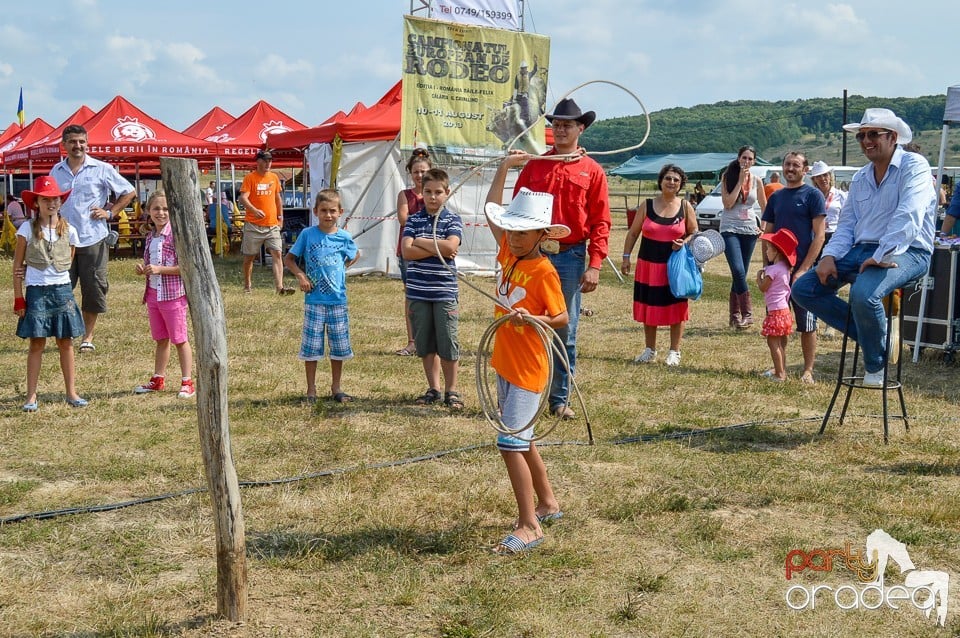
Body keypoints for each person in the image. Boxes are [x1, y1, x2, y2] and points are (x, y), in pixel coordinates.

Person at [485, 98, 611, 419]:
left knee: (562, 327)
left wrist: (595, 264)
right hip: (531, 252)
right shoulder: (535, 165)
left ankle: (558, 398)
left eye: (568, 124)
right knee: (520, 320)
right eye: (556, 124)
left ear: (581, 128)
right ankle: (520, 390)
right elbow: (516, 211)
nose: (561, 129)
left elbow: (600, 220)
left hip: (569, 254)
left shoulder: (592, 171)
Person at [792, 108, 937, 387]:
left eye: (873, 134)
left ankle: (875, 364)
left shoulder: (914, 165)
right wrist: (830, 256)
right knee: (803, 289)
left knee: (864, 294)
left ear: (893, 137)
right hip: (861, 249)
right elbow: (847, 225)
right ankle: (878, 336)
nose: (865, 141)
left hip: (909, 251)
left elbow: (909, 214)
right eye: (861, 136)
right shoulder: (861, 177)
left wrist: (883, 254)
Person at [481, 187, 568, 554]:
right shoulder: (509, 253)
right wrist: (504, 166)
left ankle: (529, 524)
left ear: (542, 235)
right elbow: (491, 214)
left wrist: (534, 318)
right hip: (506, 360)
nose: (514, 238)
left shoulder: (544, 271)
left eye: (522, 232)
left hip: (528, 368)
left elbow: (561, 318)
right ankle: (547, 503)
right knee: (522, 437)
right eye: (511, 231)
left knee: (508, 442)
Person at [50, 124, 137, 353]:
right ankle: (66, 334)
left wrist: (111, 212)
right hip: (63, 239)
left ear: (87, 143)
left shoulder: (102, 168)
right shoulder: (55, 171)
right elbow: (49, 200)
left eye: (81, 141)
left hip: (93, 239)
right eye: (72, 142)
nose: (77, 146)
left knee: (93, 289)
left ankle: (87, 337)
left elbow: (129, 191)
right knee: (61, 288)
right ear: (64, 145)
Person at [12, 176, 88, 411]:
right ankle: (31, 396)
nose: (51, 204)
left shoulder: (69, 229)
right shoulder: (27, 228)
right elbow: (17, 267)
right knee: (37, 343)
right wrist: (18, 298)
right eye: (45, 200)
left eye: (54, 199)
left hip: (62, 289)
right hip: (36, 291)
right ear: (37, 203)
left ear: (60, 202)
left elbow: (70, 256)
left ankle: (71, 392)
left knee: (66, 342)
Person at [283, 189, 359, 403]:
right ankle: (311, 389)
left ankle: (336, 387)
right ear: (315, 211)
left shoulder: (344, 237)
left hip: (337, 300)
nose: (328, 215)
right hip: (314, 300)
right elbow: (289, 259)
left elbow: (355, 254)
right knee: (312, 347)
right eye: (323, 211)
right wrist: (301, 276)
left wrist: (341, 269)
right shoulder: (308, 234)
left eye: (332, 211)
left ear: (340, 212)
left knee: (339, 346)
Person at [621, 164, 698, 366]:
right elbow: (633, 233)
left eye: (676, 180)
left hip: (675, 266)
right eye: (668, 178)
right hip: (648, 265)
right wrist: (626, 256)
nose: (671, 182)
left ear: (681, 185)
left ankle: (674, 351)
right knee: (650, 306)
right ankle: (650, 349)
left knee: (677, 306)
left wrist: (685, 241)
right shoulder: (646, 205)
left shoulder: (685, 206)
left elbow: (694, 232)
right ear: (661, 181)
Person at [401, 168, 464, 410]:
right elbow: (407, 252)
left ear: (447, 193)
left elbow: (451, 247)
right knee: (425, 343)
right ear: (422, 193)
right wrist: (438, 247)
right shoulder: (414, 219)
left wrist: (420, 241)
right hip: (418, 291)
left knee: (448, 342)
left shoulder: (452, 219)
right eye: (428, 192)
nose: (433, 197)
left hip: (444, 292)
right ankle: (434, 388)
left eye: (438, 192)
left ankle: (452, 390)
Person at [761, 151, 826, 384]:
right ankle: (781, 368)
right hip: (778, 273)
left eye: (796, 165)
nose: (790, 168)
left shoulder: (813, 195)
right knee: (778, 321)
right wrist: (766, 266)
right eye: (787, 164)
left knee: (807, 323)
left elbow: (819, 236)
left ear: (805, 169)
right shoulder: (776, 198)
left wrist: (803, 270)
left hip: (802, 271)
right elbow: (767, 233)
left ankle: (808, 370)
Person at [132, 191, 195, 399]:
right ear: (149, 211)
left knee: (179, 339)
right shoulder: (151, 236)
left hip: (173, 295)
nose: (161, 213)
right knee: (161, 338)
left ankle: (187, 381)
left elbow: (186, 267)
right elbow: (153, 264)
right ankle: (158, 378)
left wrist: (160, 269)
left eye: (166, 209)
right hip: (153, 294)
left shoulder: (177, 235)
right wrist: (145, 269)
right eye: (157, 208)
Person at [719, 145, 767, 329]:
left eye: (750, 159)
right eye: (744, 158)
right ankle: (747, 314)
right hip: (730, 228)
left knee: (740, 274)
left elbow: (765, 207)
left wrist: (762, 227)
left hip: (749, 231)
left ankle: (734, 316)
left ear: (754, 161)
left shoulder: (757, 181)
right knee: (738, 270)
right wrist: (739, 181)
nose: (746, 161)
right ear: (738, 158)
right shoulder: (727, 176)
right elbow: (728, 203)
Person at [394, 146, 432, 356]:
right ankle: (412, 341)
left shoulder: (435, 194)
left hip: (431, 252)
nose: (420, 175)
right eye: (416, 171)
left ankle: (428, 340)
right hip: (408, 252)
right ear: (410, 173)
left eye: (423, 171)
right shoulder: (404, 195)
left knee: (431, 296)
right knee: (412, 296)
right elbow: (403, 219)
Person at [239, 149, 293, 294]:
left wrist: (280, 217)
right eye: (265, 161)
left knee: (277, 253)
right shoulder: (250, 178)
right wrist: (254, 210)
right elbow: (243, 198)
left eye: (270, 161)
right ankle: (247, 285)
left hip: (272, 225)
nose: (268, 163)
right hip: (253, 225)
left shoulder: (274, 178)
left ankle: (280, 287)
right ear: (258, 162)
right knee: (249, 257)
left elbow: (277, 199)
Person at [756, 228, 798, 382]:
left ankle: (779, 374)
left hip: (775, 312)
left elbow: (763, 288)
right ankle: (782, 370)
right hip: (785, 311)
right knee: (780, 343)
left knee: (772, 342)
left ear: (777, 252)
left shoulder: (772, 270)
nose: (766, 251)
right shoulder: (786, 269)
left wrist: (758, 278)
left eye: (769, 248)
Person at [809, 161, 847, 247]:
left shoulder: (841, 195)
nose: (822, 179)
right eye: (818, 176)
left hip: (835, 236)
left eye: (825, 175)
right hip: (816, 236)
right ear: (814, 179)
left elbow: (846, 218)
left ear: (830, 176)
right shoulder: (810, 197)